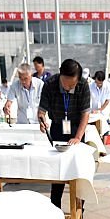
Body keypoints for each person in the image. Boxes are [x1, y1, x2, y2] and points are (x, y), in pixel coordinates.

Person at [37, 58, 90, 208]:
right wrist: (42, 120)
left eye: (72, 85)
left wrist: (78, 137)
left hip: (76, 127)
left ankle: (79, 206)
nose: (68, 88)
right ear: (60, 75)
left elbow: (85, 114)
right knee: (57, 169)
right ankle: (55, 208)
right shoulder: (49, 84)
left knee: (79, 169)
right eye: (66, 84)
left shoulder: (83, 84)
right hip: (58, 128)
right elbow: (41, 111)